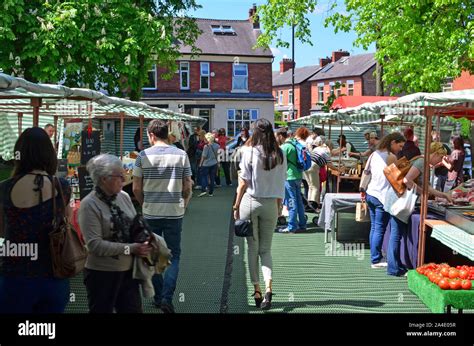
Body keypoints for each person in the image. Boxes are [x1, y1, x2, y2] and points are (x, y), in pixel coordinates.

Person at [0, 127, 71, 313]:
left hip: (14, 275)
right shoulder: (61, 187)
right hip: (54, 274)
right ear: (49, 154)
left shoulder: (4, 189)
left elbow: (1, 230)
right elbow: (66, 222)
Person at [132, 119, 193, 313]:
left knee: (153, 254)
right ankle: (167, 297)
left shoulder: (142, 156)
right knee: (173, 254)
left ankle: (158, 296)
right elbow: (187, 186)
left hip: (151, 212)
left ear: (151, 135)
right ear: (167, 133)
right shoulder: (181, 154)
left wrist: (144, 204)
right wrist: (183, 204)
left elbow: (136, 188)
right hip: (174, 212)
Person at [79, 154, 151, 313]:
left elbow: (134, 225)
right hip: (102, 275)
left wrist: (144, 239)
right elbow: (94, 245)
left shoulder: (123, 197)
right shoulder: (89, 205)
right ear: (104, 179)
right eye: (119, 176)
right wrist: (131, 248)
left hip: (128, 272)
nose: (124, 179)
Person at [233, 119, 287, 310]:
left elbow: (243, 183)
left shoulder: (249, 152)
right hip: (271, 203)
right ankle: (268, 288)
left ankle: (256, 289)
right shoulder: (279, 154)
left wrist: (236, 205)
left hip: (251, 201)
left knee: (252, 249)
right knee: (266, 250)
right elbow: (282, 183)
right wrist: (279, 206)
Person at [364, 132, 406, 274]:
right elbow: (397, 178)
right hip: (382, 196)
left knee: (375, 227)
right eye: (399, 146)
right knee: (379, 228)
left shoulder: (375, 153)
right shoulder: (390, 156)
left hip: (371, 192)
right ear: (393, 142)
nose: (400, 149)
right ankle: (376, 259)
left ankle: (374, 257)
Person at [279, 128, 307, 233]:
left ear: (281, 136)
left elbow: (278, 163)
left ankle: (291, 226)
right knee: (299, 201)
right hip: (298, 175)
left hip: (289, 177)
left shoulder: (284, 147)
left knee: (291, 202)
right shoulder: (296, 145)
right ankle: (302, 224)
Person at [198, 133, 220, 197]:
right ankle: (211, 192)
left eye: (205, 138)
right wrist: (218, 163)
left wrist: (200, 164)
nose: (204, 139)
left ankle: (203, 190)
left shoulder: (206, 146)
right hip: (214, 163)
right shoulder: (217, 146)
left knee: (204, 177)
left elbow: (204, 156)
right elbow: (218, 155)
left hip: (206, 164)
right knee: (212, 177)